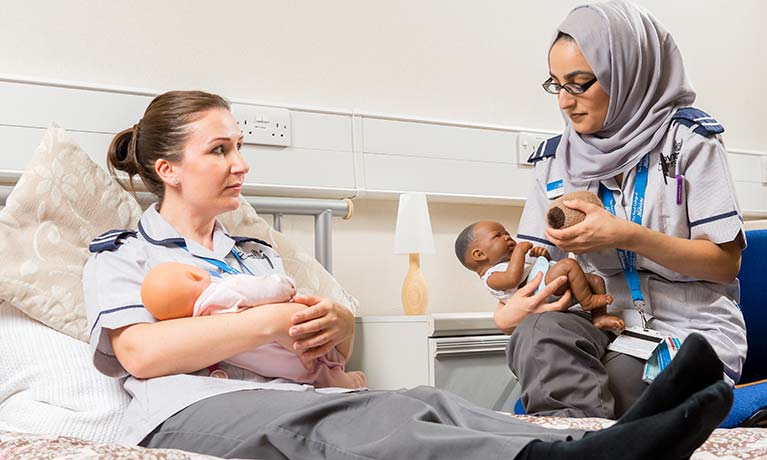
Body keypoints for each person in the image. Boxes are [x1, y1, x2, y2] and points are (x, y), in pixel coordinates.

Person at [83, 89, 732, 460]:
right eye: (219, 150)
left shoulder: (255, 255)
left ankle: (611, 440)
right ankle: (566, 459)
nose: (241, 164)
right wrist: (273, 320)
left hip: (296, 396)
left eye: (240, 147)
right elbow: (140, 353)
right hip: (190, 409)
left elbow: (312, 352)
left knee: (420, 401)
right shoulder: (122, 252)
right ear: (168, 169)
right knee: (365, 427)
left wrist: (332, 330)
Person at [494, 0, 747, 420]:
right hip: (603, 323)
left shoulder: (690, 139)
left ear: (626, 72)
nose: (565, 102)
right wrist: (513, 310)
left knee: (602, 385)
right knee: (536, 334)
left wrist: (624, 234)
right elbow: (538, 267)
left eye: (579, 83)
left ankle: (574, 440)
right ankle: (581, 440)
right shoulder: (555, 159)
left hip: (687, 332)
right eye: (557, 84)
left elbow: (724, 264)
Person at [141, 261, 366, 388]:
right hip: (294, 349)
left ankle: (345, 382)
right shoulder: (222, 290)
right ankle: (349, 383)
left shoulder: (198, 321)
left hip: (279, 367)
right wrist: (285, 285)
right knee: (323, 366)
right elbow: (267, 290)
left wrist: (345, 321)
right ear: (195, 274)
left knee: (319, 373)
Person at [455, 220, 624, 330]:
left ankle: (600, 316)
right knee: (568, 265)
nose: (507, 237)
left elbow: (545, 267)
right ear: (479, 255)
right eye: (498, 236)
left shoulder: (512, 262)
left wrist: (544, 256)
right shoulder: (491, 277)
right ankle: (587, 301)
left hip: (548, 285)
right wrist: (520, 252)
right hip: (540, 295)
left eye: (507, 233)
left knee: (595, 280)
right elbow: (512, 278)